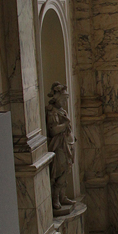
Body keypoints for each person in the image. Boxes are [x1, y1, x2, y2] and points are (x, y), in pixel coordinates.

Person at [46, 82, 76, 214]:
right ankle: (55, 198)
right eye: (63, 99)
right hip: (59, 145)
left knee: (67, 169)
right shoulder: (52, 112)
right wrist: (65, 125)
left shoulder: (62, 111)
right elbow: (52, 130)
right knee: (59, 171)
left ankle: (62, 196)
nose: (65, 102)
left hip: (67, 143)